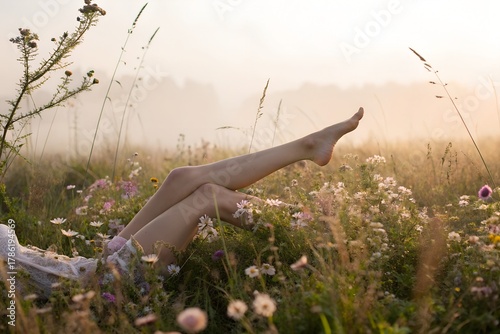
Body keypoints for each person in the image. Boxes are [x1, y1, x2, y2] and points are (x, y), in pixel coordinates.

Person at [0, 107, 364, 295]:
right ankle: (305, 224)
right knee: (204, 199)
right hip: (100, 289)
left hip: (88, 264)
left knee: (181, 178)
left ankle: (307, 147)